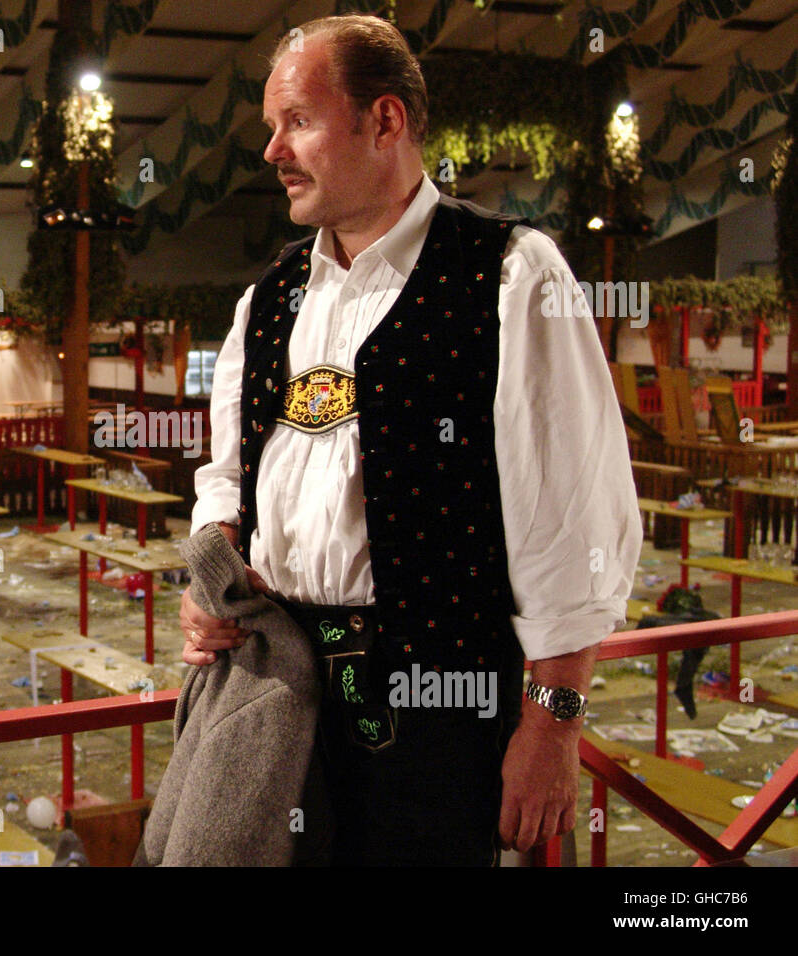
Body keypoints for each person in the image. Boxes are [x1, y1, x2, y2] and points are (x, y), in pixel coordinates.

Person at [179, 14, 641, 866]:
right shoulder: (269, 298)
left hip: (446, 725)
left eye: (297, 122)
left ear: (383, 121)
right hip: (281, 717)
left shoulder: (511, 274)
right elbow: (226, 480)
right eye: (271, 128)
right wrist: (212, 585)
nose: (273, 151)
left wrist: (552, 728)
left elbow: (572, 527)